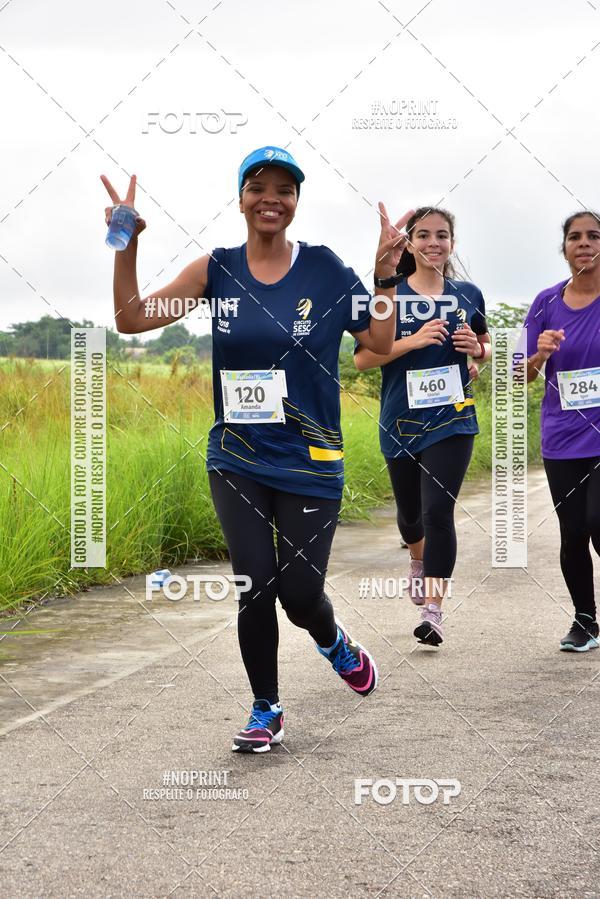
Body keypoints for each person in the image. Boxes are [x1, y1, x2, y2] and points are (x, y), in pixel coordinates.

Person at [102, 146, 413, 752]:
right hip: (237, 456)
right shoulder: (216, 269)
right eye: (257, 186)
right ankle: (265, 707)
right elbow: (132, 319)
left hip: (312, 458)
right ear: (240, 197)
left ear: (296, 202)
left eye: (284, 189)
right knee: (254, 582)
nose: (270, 197)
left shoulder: (324, 270)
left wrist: (383, 276)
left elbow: (377, 337)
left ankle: (334, 641)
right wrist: (128, 242)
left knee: (299, 595)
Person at [354, 207, 491, 646]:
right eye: (424, 235)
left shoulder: (468, 294)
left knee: (437, 512)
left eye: (443, 235)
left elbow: (483, 344)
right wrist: (412, 341)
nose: (434, 242)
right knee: (411, 516)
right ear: (409, 243)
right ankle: (417, 559)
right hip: (400, 421)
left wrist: (479, 352)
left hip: (453, 419)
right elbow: (363, 359)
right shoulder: (388, 295)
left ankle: (433, 611)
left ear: (453, 243)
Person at [524, 211, 600, 652]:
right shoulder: (545, 303)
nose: (584, 243)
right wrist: (537, 354)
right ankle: (585, 622)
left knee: (597, 520)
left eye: (593, 236)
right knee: (573, 533)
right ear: (565, 248)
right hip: (562, 438)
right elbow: (518, 376)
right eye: (575, 237)